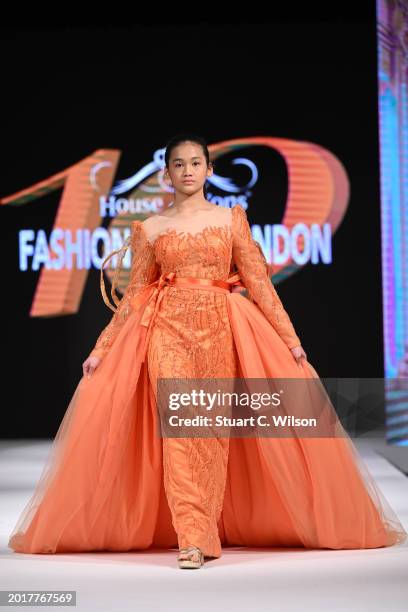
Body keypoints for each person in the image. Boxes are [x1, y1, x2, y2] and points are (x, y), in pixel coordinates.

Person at [8, 133, 407, 570]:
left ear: (209, 170)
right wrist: (102, 347)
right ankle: (193, 539)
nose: (187, 171)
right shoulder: (151, 227)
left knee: (212, 429)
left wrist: (290, 340)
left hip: (220, 327)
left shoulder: (231, 219)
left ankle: (210, 525)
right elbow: (137, 293)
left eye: (195, 163)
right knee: (181, 429)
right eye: (178, 164)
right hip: (166, 329)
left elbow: (258, 283)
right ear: (167, 173)